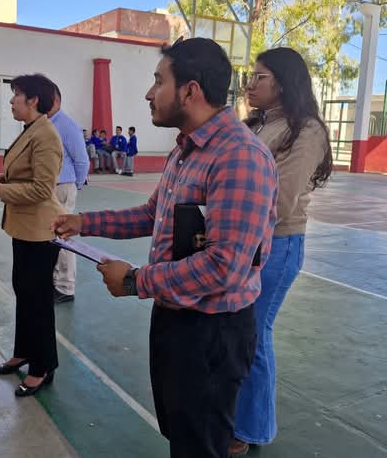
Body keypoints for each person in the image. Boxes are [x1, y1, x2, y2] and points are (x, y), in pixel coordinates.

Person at [52, 38, 277, 458]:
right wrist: (84, 223)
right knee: (183, 435)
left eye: (159, 81)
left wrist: (135, 281)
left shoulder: (239, 157)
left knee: (200, 444)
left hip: (212, 331)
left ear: (190, 91)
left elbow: (224, 266)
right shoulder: (187, 150)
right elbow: (151, 215)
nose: (149, 93)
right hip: (176, 317)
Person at [230, 47, 333, 456]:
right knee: (238, 332)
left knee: (255, 334)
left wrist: (232, 225)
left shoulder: (306, 130)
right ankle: (236, 415)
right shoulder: (258, 123)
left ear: (284, 82)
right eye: (250, 76)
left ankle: (252, 428)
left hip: (277, 244)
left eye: (259, 77)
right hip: (247, 241)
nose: (250, 84)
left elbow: (282, 200)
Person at [0, 74, 64, 397]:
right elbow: (26, 173)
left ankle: (42, 366)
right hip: (24, 228)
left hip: (40, 231)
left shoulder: (46, 135)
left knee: (38, 300)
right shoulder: (30, 130)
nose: (11, 100)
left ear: (33, 100)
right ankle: (23, 352)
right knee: (24, 291)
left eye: (16, 94)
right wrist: (4, 178)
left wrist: (2, 190)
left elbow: (42, 188)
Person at [48, 83, 89, 303]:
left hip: (63, 186)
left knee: (63, 235)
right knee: (51, 235)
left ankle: (65, 287)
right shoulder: (47, 124)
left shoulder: (66, 124)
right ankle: (55, 280)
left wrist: (76, 185)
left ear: (55, 100)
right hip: (51, 187)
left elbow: (82, 160)